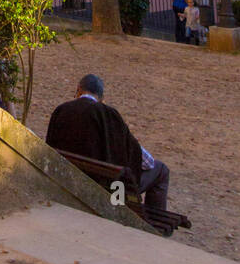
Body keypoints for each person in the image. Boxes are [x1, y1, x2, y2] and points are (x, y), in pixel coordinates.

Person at [46, 73, 170, 213]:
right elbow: (146, 161)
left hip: (67, 181)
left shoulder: (61, 110)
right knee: (161, 171)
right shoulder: (108, 115)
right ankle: (153, 228)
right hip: (108, 189)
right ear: (101, 98)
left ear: (78, 89)